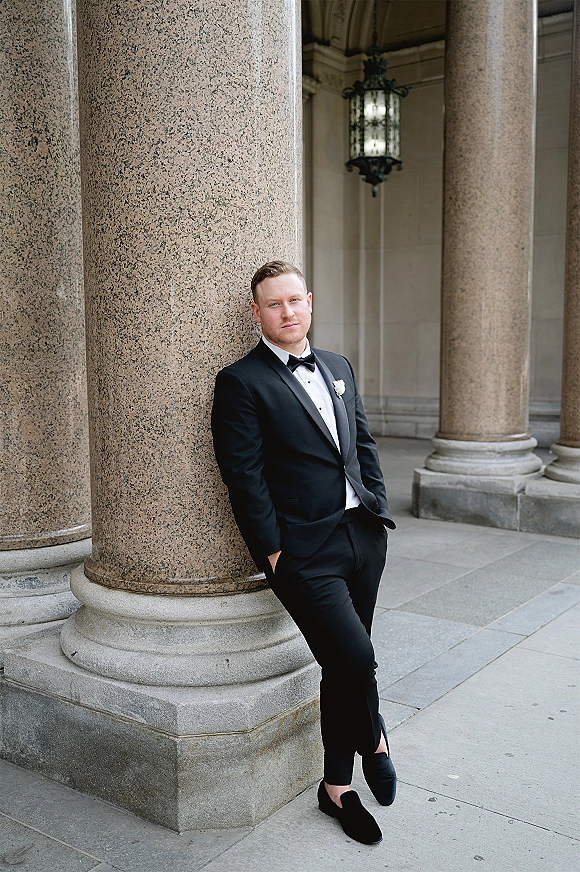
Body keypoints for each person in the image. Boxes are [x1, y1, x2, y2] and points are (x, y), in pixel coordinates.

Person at [211, 260, 397, 845]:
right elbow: (243, 476)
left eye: (295, 301)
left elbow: (362, 444)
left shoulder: (338, 366)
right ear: (256, 313)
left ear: (310, 301)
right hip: (303, 554)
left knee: (341, 663)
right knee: (357, 657)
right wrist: (272, 553)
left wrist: (378, 509)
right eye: (274, 304)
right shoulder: (241, 381)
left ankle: (335, 788)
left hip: (361, 537)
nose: (287, 313)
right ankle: (375, 737)